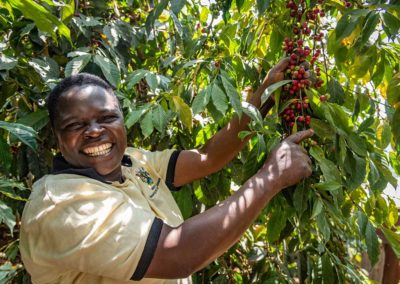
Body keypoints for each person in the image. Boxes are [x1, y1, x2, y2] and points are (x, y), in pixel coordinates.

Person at [19, 58, 313, 284]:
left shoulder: (131, 162)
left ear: (122, 121)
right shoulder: (61, 203)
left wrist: (266, 96)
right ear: (57, 139)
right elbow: (177, 253)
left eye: (107, 118)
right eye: (76, 125)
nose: (95, 131)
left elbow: (208, 157)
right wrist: (270, 178)